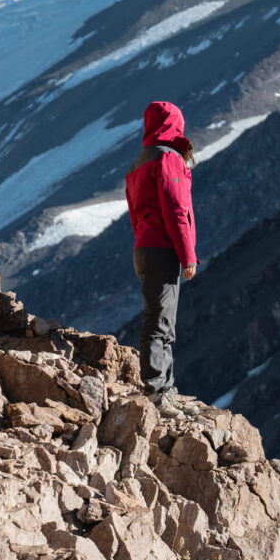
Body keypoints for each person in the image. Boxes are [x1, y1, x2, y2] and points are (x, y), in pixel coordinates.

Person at [126, 99, 197, 400]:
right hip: (163, 248)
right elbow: (176, 210)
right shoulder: (168, 159)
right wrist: (188, 256)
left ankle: (164, 388)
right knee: (160, 322)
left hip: (144, 247)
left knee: (159, 318)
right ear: (174, 124)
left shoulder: (140, 162)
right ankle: (157, 390)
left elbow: (133, 213)